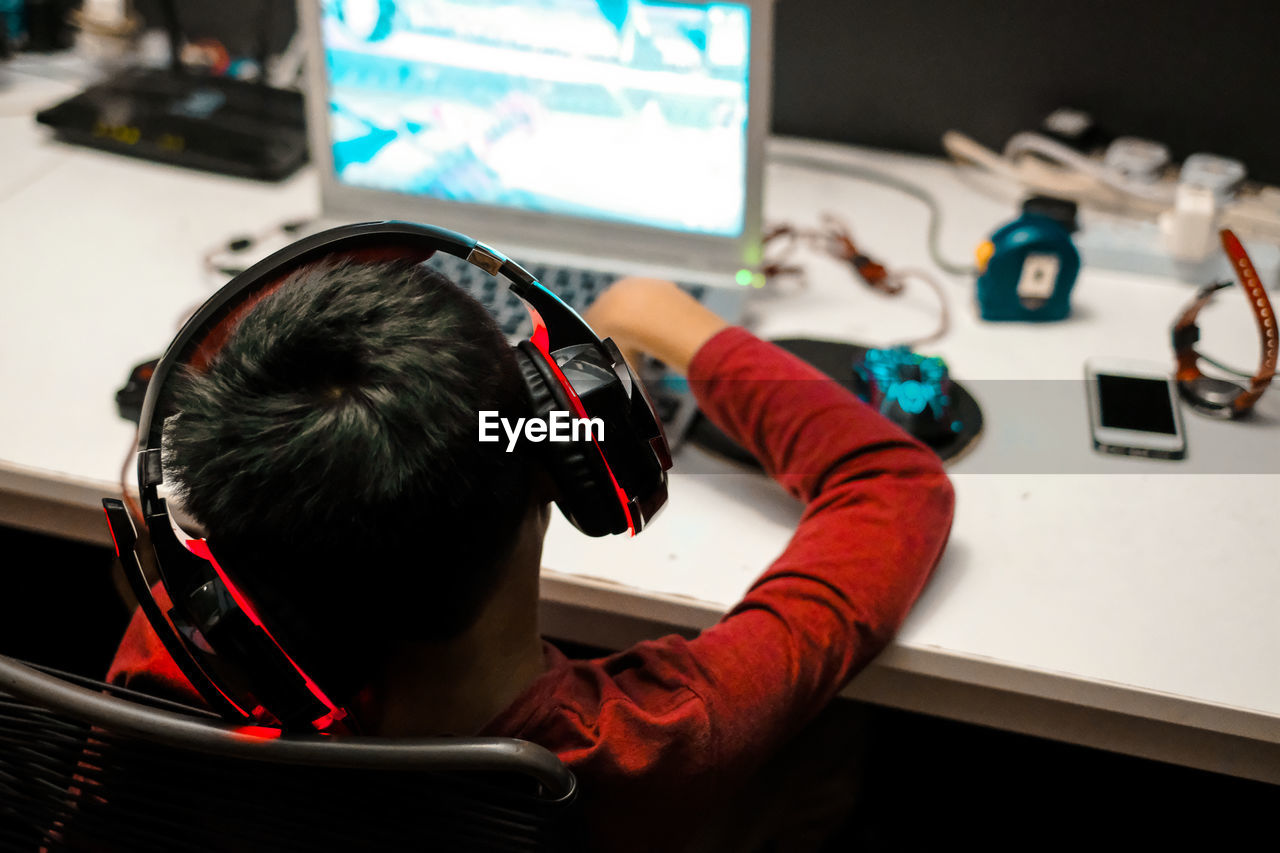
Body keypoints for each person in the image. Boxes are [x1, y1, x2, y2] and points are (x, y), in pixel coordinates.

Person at [109, 257, 954, 851]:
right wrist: (676, 323)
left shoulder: (169, 663)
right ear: (571, 467)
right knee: (835, 740)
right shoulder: (648, 740)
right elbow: (892, 482)